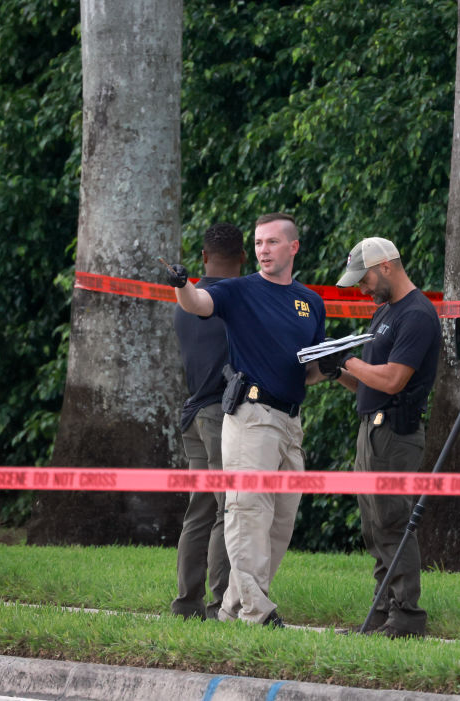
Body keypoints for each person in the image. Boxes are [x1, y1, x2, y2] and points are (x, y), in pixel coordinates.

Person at [165, 212, 327, 627]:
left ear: (293, 247)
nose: (263, 250)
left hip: (291, 421)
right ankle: (258, 612)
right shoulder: (238, 290)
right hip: (250, 417)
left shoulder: (310, 302)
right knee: (244, 512)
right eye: (258, 243)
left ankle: (234, 607)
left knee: (280, 520)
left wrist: (334, 365)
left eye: (272, 242)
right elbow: (199, 303)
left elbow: (309, 369)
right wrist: (184, 285)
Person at [318, 237, 440, 639]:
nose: (362, 289)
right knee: (374, 526)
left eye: (364, 279)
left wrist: (346, 357)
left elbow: (392, 380)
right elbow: (369, 386)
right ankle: (382, 610)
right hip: (372, 428)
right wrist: (338, 372)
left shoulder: (417, 315)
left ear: (386, 266)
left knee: (392, 522)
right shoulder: (386, 313)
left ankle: (406, 617)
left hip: (395, 432)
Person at [170, 222, 246, 621]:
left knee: (198, 512)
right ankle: (220, 603)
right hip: (220, 415)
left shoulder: (184, 303)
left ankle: (186, 604)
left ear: (203, 257)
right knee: (226, 509)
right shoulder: (237, 301)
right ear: (244, 259)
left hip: (193, 415)